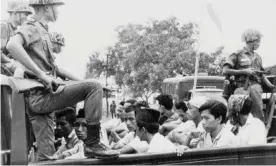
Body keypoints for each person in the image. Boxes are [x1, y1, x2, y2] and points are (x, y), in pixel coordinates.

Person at [6, 0, 119, 160]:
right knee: (93, 87)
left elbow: (56, 69)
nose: (58, 11)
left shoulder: (43, 31)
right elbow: (12, 45)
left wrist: (81, 82)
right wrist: (42, 75)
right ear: (46, 7)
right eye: (56, 7)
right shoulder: (32, 27)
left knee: (46, 156)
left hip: (40, 97)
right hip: (41, 95)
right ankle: (93, 144)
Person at [223, 29, 274, 122]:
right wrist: (244, 71)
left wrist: (270, 85)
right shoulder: (237, 54)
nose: (259, 44)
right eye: (258, 41)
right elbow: (225, 70)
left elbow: (261, 73)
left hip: (256, 89)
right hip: (241, 88)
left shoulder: (258, 57)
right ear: (251, 41)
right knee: (239, 113)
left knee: (258, 115)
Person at [1, 1, 32, 76]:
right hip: (2, 64)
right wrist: (12, 62)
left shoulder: (15, 30)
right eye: (25, 14)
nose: (26, 17)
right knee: (20, 70)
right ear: (17, 13)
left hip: (6, 64)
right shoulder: (4, 26)